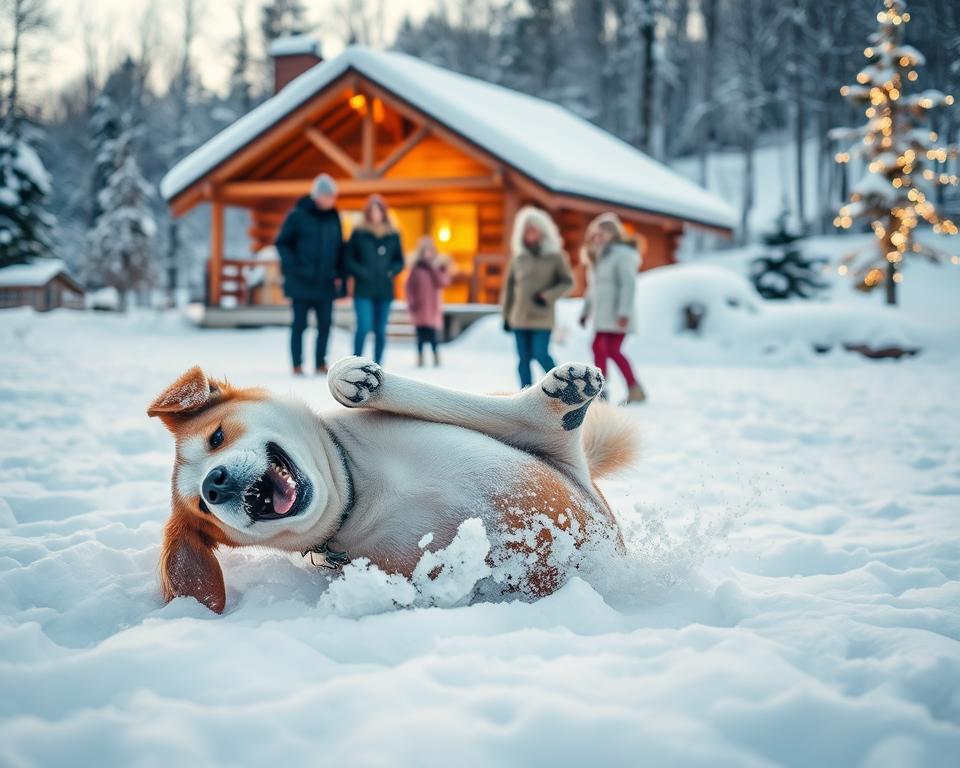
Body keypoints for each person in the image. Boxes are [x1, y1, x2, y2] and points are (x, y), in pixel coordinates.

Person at [275, 173, 344, 376]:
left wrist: (339, 273)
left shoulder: (334, 217)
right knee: (300, 325)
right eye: (328, 196)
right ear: (318, 196)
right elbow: (282, 243)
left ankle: (320, 363)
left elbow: (340, 247)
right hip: (301, 283)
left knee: (325, 325)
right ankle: (297, 364)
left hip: (326, 283)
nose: (331, 200)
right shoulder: (298, 215)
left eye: (333, 197)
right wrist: (294, 268)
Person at [501, 206, 574, 389]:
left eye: (533, 229)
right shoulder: (518, 258)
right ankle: (525, 397)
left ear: (542, 230)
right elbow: (509, 289)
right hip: (519, 317)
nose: (530, 233)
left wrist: (548, 296)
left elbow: (567, 282)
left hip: (542, 317)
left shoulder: (555, 256)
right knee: (523, 359)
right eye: (526, 230)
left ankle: (563, 389)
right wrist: (506, 316)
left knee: (541, 354)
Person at [579, 212, 646, 403]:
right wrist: (585, 312)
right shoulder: (597, 258)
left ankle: (627, 389)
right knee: (600, 349)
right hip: (603, 316)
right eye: (597, 234)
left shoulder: (622, 255)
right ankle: (607, 390)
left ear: (614, 234)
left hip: (618, 314)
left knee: (609, 350)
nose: (599, 238)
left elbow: (628, 284)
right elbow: (593, 289)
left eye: (604, 234)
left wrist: (624, 311)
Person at [345, 194, 404, 365]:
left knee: (380, 330)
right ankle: (355, 363)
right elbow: (349, 259)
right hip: (363, 290)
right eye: (372, 211)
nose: (375, 214)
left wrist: (391, 271)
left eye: (378, 211)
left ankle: (378, 366)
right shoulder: (358, 233)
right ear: (367, 213)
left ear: (384, 213)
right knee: (363, 326)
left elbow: (399, 261)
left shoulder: (393, 234)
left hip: (384, 291)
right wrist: (362, 272)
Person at [404, 235, 452, 367]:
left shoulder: (437, 268)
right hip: (419, 307)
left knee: (432, 335)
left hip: (432, 308)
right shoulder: (416, 269)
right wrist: (411, 301)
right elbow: (409, 287)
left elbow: (443, 282)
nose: (428, 254)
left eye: (430, 251)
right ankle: (420, 357)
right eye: (425, 251)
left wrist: (434, 269)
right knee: (420, 334)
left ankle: (435, 356)